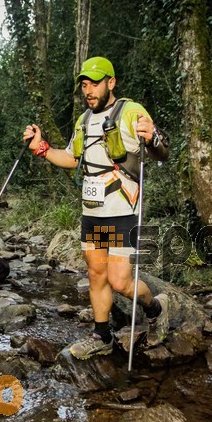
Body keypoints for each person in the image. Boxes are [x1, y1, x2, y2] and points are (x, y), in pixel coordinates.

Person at [22, 56, 170, 360]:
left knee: (119, 281)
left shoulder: (130, 111)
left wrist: (152, 137)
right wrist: (42, 148)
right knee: (95, 274)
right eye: (85, 85)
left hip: (122, 210)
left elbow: (161, 152)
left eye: (95, 83)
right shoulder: (84, 120)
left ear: (111, 82)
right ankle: (101, 335)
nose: (89, 90)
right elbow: (72, 158)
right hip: (92, 211)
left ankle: (155, 308)